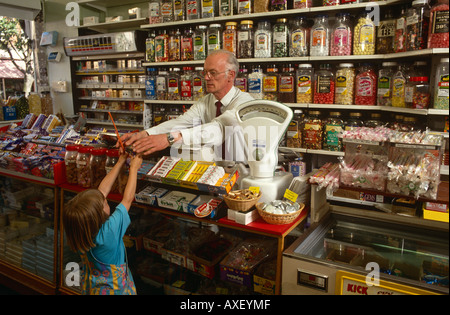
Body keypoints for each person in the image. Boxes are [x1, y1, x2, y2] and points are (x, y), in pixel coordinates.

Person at [121, 49, 254, 161]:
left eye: (212, 73)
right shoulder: (206, 101)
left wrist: (169, 138)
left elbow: (219, 128)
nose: (206, 78)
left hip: (242, 171)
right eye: (205, 72)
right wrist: (145, 134)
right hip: (217, 169)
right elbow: (180, 122)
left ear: (230, 75)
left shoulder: (244, 103)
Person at [63, 152, 143, 295]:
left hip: (93, 288)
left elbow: (101, 192)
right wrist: (134, 169)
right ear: (98, 215)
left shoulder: (81, 230)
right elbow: (128, 199)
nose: (107, 203)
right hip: (116, 290)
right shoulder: (108, 232)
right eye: (105, 204)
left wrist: (120, 162)